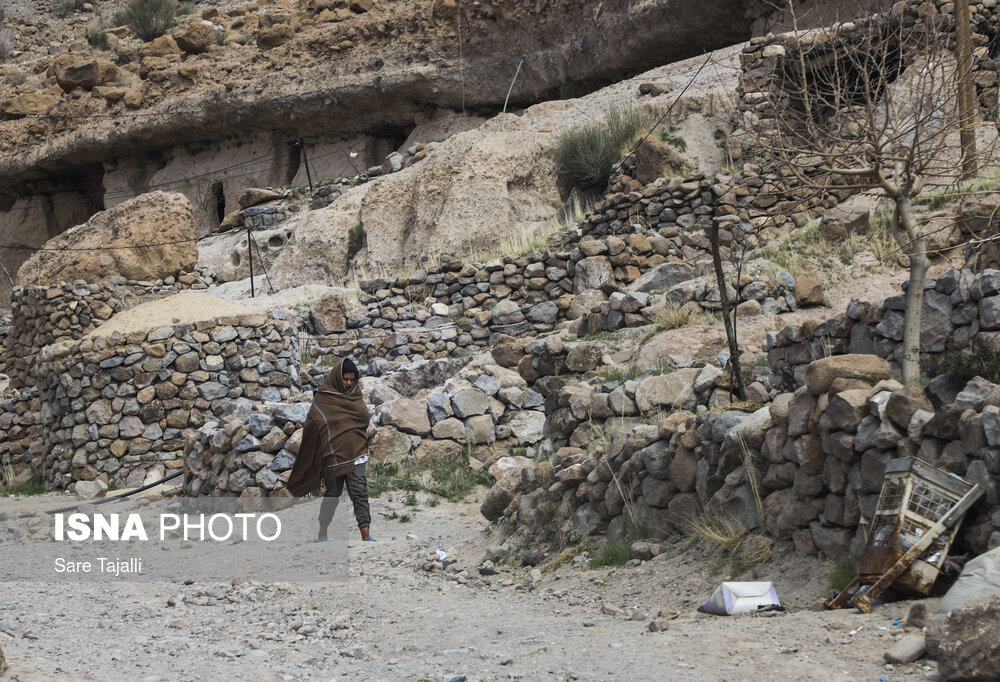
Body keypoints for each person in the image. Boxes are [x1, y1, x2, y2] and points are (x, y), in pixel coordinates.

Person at [286, 358, 375, 542]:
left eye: (352, 380)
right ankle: (322, 533)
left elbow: (363, 419)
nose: (349, 383)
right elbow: (314, 422)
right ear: (337, 377)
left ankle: (366, 536)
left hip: (356, 453)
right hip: (333, 457)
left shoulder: (355, 395)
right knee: (332, 496)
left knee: (359, 494)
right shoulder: (325, 397)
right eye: (345, 379)